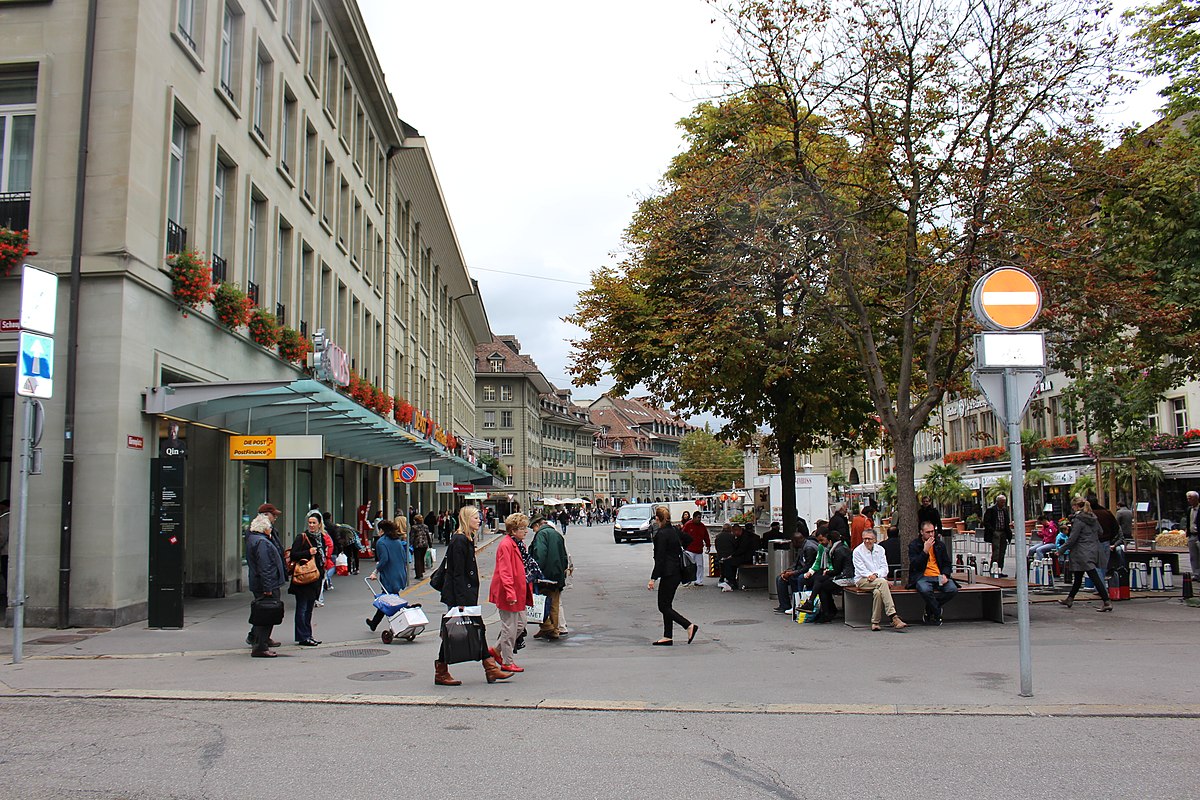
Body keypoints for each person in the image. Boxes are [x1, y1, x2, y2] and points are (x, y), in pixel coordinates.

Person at [434, 505, 512, 686]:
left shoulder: (465, 539)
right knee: (458, 631)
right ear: (467, 519)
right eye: (476, 518)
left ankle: (489, 667)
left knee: (470, 630)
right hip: (459, 596)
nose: (479, 520)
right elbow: (457, 573)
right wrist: (461, 602)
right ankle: (485, 668)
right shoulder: (459, 540)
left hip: (463, 594)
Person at [646, 506, 699, 646]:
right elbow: (688, 539)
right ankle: (667, 636)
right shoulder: (675, 530)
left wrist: (653, 578)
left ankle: (688, 625)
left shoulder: (661, 534)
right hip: (677, 571)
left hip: (668, 573)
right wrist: (677, 549)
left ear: (657, 518)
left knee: (663, 606)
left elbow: (660, 558)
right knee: (667, 604)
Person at [488, 513, 533, 673]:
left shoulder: (519, 544)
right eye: (522, 528)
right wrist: (510, 592)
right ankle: (507, 661)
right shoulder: (506, 545)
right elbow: (505, 571)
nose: (526, 531)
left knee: (521, 624)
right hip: (509, 591)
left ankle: (495, 650)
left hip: (517, 590)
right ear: (513, 530)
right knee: (510, 627)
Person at [1058, 497, 1113, 612]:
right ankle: (1070, 598)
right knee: (1078, 576)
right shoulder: (1093, 517)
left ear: (1076, 506)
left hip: (1082, 551)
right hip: (1093, 548)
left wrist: (1060, 550)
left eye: (1073, 506)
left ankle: (1106, 601)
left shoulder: (1079, 520)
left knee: (1093, 575)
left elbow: (1072, 538)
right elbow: (1100, 531)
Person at [246, 505, 287, 657]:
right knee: (267, 613)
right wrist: (268, 587)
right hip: (266, 583)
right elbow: (265, 566)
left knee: (262, 612)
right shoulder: (262, 542)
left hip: (261, 582)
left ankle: (258, 641)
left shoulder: (255, 538)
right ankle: (260, 646)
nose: (274, 522)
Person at [852, 530, 908, 631]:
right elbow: (861, 569)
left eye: (869, 539)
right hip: (862, 580)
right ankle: (893, 616)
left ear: (875, 539)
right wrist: (873, 576)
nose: (867, 541)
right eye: (865, 538)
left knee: (878, 592)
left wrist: (876, 575)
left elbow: (884, 567)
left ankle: (875, 622)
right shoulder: (857, 551)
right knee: (883, 583)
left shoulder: (881, 549)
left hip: (877, 580)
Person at [908, 520, 958, 625]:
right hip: (922, 576)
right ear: (921, 532)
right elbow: (914, 565)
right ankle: (937, 613)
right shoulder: (914, 545)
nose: (931, 534)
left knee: (952, 589)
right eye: (928, 532)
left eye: (932, 531)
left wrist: (945, 575)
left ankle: (930, 609)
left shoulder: (939, 544)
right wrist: (925, 551)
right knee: (925, 590)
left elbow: (947, 563)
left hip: (938, 575)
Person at [529, 512, 569, 641]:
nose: (533, 531)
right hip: (557, 574)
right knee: (554, 604)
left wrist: (535, 571)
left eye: (533, 528)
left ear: (537, 525)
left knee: (540, 602)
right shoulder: (557, 534)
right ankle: (555, 630)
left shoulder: (541, 535)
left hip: (545, 575)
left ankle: (547, 627)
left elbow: (540, 554)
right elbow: (564, 555)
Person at [366, 519, 410, 632]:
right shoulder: (397, 541)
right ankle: (374, 623)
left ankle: (400, 623)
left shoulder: (381, 542)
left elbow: (384, 559)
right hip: (400, 574)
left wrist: (375, 571)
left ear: (381, 530)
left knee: (389, 601)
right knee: (389, 598)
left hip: (389, 575)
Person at [287, 517, 323, 647]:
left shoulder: (320, 538)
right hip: (303, 580)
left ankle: (308, 635)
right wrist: (308, 552)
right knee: (302, 608)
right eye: (310, 523)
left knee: (309, 609)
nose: (312, 525)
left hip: (315, 579)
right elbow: (294, 555)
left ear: (319, 524)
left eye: (314, 523)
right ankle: (302, 636)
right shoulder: (302, 537)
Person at [774, 526, 819, 613]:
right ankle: (784, 605)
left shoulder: (809, 548)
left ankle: (796, 603)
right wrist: (788, 570)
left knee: (795, 578)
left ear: (795, 541)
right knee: (780, 578)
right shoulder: (802, 546)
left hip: (811, 572)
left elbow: (807, 567)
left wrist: (792, 573)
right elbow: (796, 562)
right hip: (802, 570)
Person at [718, 523, 762, 592]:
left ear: (737, 531)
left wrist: (731, 556)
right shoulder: (744, 535)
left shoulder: (745, 537)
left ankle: (732, 581)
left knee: (727, 563)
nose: (733, 534)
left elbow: (741, 549)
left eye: (733, 533)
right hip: (745, 556)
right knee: (729, 562)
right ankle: (731, 580)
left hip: (747, 557)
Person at [983, 494, 1014, 577]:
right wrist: (992, 531)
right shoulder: (991, 509)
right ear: (998, 502)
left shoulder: (1004, 510)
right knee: (996, 552)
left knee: (1002, 552)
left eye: (1004, 502)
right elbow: (986, 522)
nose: (1003, 504)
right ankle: (993, 569)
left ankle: (1000, 569)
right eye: (1001, 502)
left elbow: (1006, 522)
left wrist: (1008, 534)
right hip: (995, 531)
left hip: (1003, 531)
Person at [681, 512, 711, 587]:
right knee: (688, 566)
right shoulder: (688, 525)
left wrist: (708, 545)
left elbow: (706, 536)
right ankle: (688, 580)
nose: (699, 519)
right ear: (694, 518)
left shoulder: (702, 526)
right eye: (698, 517)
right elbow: (682, 535)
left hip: (698, 549)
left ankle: (699, 580)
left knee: (699, 565)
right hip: (689, 549)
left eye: (700, 517)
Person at [1089, 495, 1118, 576]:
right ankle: (1101, 586)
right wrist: (1110, 538)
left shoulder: (1089, 515)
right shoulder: (1106, 513)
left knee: (1095, 567)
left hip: (1093, 542)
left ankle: (1100, 587)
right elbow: (1115, 527)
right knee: (1103, 566)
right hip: (1105, 541)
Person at [410, 513, 433, 580]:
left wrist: (410, 544)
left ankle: (418, 573)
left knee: (417, 559)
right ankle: (422, 571)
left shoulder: (414, 527)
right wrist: (430, 543)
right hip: (424, 544)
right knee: (422, 558)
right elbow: (428, 535)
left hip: (417, 544)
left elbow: (412, 537)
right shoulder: (425, 526)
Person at [1186, 491, 1200, 584]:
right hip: (1192, 535)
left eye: (1190, 498)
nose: (1189, 500)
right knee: (1193, 556)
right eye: (1188, 498)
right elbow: (1189, 521)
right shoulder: (1189, 509)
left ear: (1196, 499)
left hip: (1199, 535)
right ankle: (1196, 574)